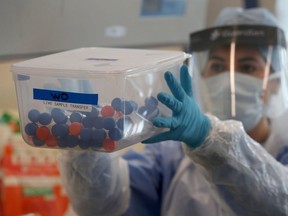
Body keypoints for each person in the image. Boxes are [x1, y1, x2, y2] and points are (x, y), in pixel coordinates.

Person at [58, 7, 288, 216]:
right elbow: (104, 207)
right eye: (217, 66)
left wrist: (208, 139)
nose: (228, 80)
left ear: (276, 81)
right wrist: (86, 152)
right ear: (204, 76)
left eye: (247, 67)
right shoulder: (169, 156)